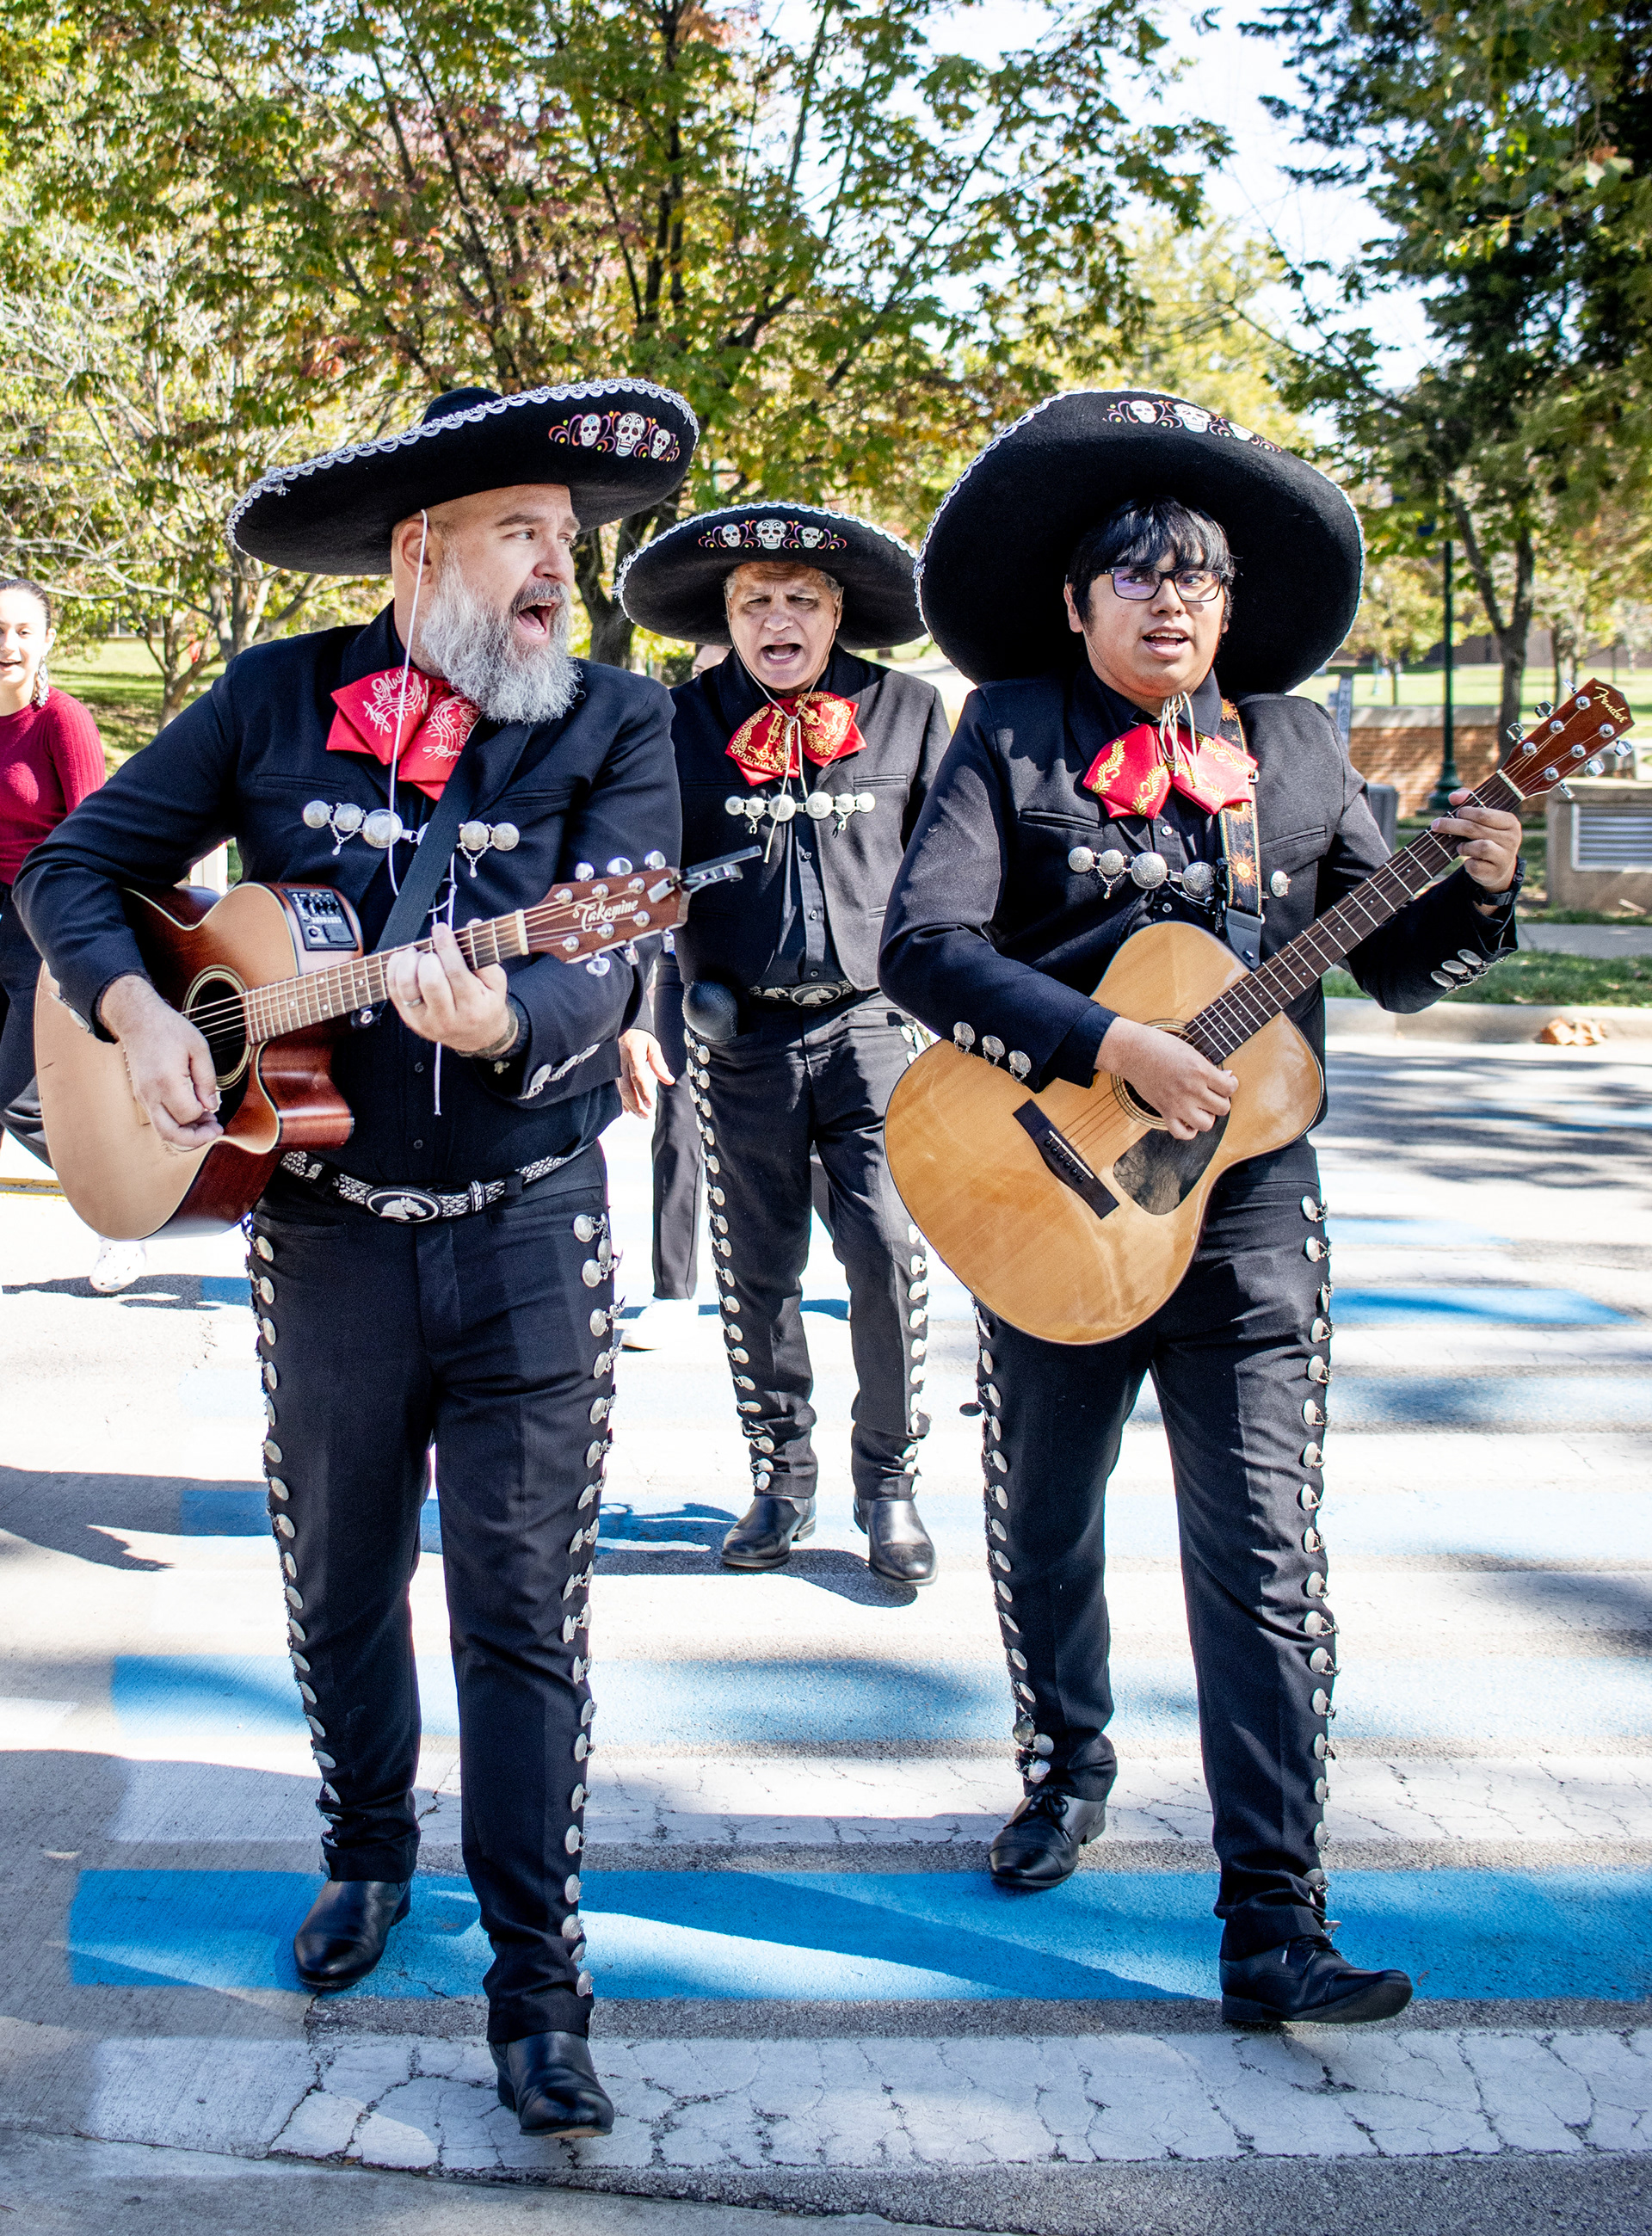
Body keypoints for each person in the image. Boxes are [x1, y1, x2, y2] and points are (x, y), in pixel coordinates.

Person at [15, 378, 697, 2134]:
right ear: (419, 553)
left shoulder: (619, 719)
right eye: (521, 533)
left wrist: (506, 1022)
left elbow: (606, 955)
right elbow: (76, 869)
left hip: (532, 1229)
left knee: (520, 1612)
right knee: (335, 1581)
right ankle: (368, 1849)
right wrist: (135, 1014)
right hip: (323, 1235)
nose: (559, 566)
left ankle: (540, 1984)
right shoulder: (275, 696)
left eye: (567, 537)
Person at [880, 389, 1523, 2023]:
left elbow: (1395, 963)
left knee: (1265, 1552)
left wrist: (1480, 892)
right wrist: (1106, 1042)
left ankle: (1274, 1917)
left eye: (1199, 577)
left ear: (1231, 608)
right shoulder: (1008, 733)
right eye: (1137, 573)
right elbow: (924, 947)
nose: (1171, 600)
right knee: (1046, 1513)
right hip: (1049, 1192)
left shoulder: (1296, 750)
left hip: (1244, 1218)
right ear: (1077, 601)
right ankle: (1066, 1760)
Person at [618, 507, 951, 1584]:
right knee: (756, 1271)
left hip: (872, 1026)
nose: (778, 619)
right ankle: (780, 1480)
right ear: (726, 618)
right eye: (755, 599)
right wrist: (638, 1019)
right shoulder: (674, 723)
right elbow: (638, 885)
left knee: (887, 1251)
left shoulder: (907, 711)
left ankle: (889, 1485)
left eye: (801, 598)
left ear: (836, 612)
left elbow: (951, 876)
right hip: (738, 1032)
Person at [0, 578, 145, 1292]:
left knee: (23, 1098)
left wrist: (93, 944)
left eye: (23, 631)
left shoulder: (62, 720)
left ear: (46, 640)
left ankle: (124, 1219)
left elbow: (96, 835)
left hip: (43, 924)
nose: (8, 645)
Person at [621, 640, 729, 1353]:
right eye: (701, 670)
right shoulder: (665, 739)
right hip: (677, 964)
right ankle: (672, 1291)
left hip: (775, 970)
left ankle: (867, 1261)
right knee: (679, 1120)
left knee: (817, 1137)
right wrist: (633, 1014)